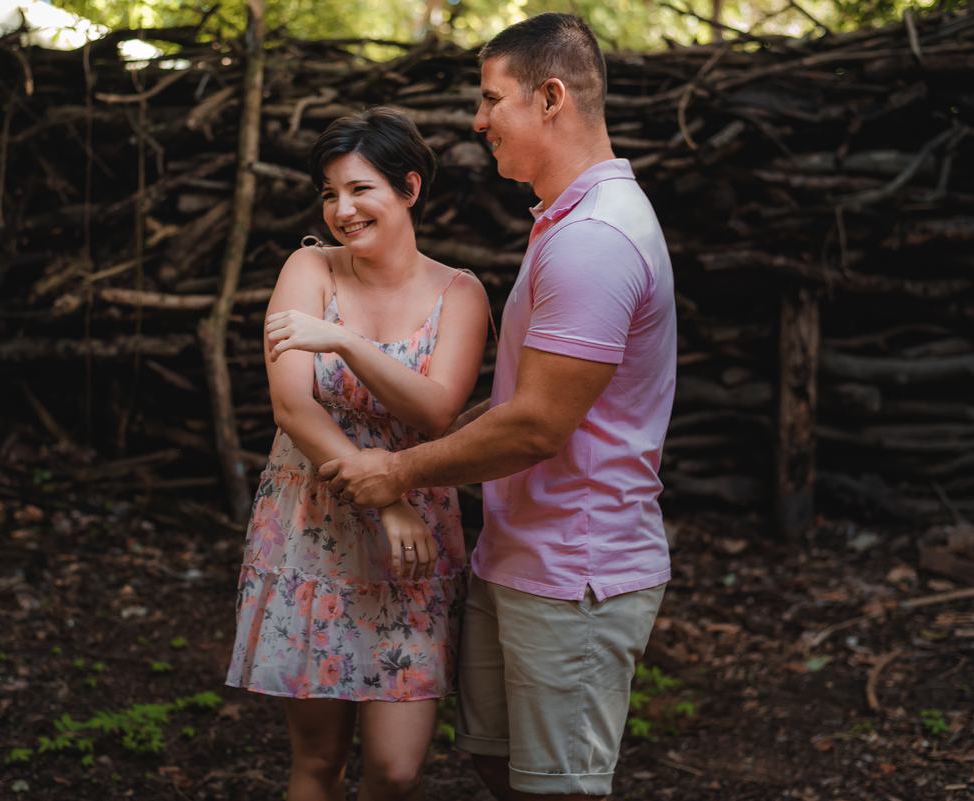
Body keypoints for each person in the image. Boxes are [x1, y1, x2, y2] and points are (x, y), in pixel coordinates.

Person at [319, 13, 677, 801]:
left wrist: (398, 469)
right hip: (520, 554)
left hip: (575, 566)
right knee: (498, 762)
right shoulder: (565, 223)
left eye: (491, 99)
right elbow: (517, 402)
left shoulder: (597, 239)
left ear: (551, 98)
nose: (477, 120)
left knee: (557, 786)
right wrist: (433, 443)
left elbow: (538, 425)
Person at [224, 106, 490, 801]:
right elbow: (293, 407)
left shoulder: (460, 294)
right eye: (329, 192)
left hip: (412, 549)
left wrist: (342, 341)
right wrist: (385, 502)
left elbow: (436, 409)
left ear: (409, 187)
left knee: (397, 771)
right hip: (315, 533)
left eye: (360, 189)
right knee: (317, 763)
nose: (342, 209)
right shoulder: (308, 268)